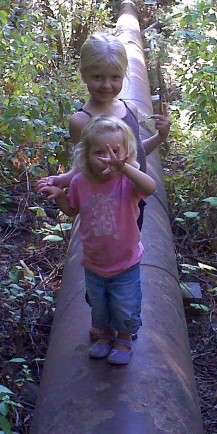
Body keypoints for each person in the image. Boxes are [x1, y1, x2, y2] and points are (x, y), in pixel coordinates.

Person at [36, 31, 170, 340]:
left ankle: (124, 316)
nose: (106, 85)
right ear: (83, 74)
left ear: (124, 76)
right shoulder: (81, 121)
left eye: (114, 77)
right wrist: (60, 181)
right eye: (97, 77)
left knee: (126, 256)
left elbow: (135, 152)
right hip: (103, 201)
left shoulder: (129, 110)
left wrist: (160, 138)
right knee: (103, 253)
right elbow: (84, 166)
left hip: (133, 196)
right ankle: (101, 310)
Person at [40, 116, 156, 365]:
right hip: (93, 262)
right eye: (99, 152)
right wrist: (60, 194)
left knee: (124, 304)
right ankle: (105, 335)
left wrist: (125, 168)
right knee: (99, 305)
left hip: (125, 262)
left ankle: (124, 337)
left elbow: (151, 187)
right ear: (86, 155)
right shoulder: (81, 181)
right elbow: (72, 210)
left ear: (127, 153)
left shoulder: (128, 181)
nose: (108, 158)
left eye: (116, 151)